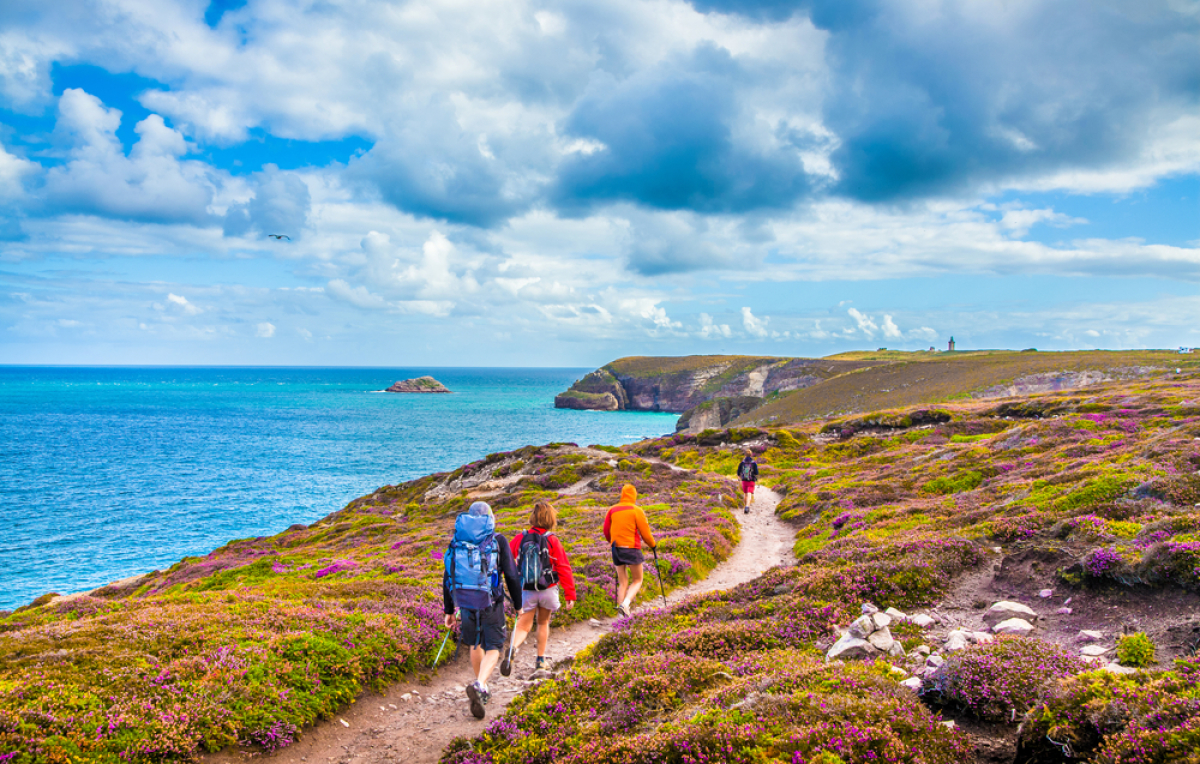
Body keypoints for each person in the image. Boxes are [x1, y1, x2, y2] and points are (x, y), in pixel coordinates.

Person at [442, 501, 522, 720]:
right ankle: (480, 684)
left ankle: (482, 688)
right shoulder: (498, 540)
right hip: (492, 603)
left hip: (465, 603)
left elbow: (448, 575)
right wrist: (518, 604)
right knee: (494, 646)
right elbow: (512, 575)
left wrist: (449, 609)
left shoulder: (457, 541)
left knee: (475, 643)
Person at [502, 501, 576, 676]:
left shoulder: (520, 538)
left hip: (526, 589)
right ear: (551, 519)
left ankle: (513, 648)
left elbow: (506, 559)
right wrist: (569, 593)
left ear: (533, 518)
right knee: (543, 623)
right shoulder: (552, 540)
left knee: (523, 626)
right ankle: (540, 661)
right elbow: (564, 567)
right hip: (548, 589)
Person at [603, 483, 657, 617]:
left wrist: (611, 541)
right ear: (634, 495)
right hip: (632, 549)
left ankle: (621, 617)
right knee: (638, 580)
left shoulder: (612, 509)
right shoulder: (636, 510)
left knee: (623, 582)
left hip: (616, 549)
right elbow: (645, 533)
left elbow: (606, 530)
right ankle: (625, 604)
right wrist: (652, 545)